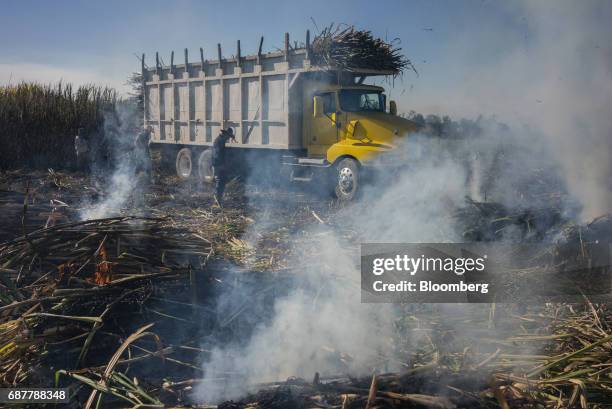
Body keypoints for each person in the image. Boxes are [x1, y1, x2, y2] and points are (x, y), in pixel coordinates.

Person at [212, 127, 235, 206]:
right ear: (225, 135)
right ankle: (217, 200)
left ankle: (219, 199)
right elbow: (217, 154)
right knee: (219, 181)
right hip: (218, 164)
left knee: (222, 181)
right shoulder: (219, 141)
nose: (228, 138)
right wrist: (221, 165)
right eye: (228, 136)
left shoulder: (220, 140)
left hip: (219, 164)